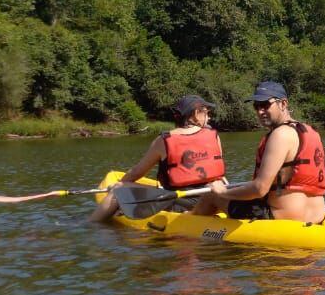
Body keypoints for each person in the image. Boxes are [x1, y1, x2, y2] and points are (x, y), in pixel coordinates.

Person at [191, 80, 325, 223]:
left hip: (282, 217)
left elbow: (259, 189)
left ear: (283, 104)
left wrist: (222, 191)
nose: (260, 111)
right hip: (316, 217)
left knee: (211, 196)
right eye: (256, 106)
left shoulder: (280, 135)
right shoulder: (312, 132)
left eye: (265, 105)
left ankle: (186, 227)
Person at [89, 95, 226, 222]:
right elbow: (219, 174)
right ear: (196, 114)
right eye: (206, 113)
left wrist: (120, 186)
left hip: (178, 202)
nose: (209, 118)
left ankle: (92, 225)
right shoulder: (214, 136)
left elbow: (136, 173)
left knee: (118, 188)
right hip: (212, 200)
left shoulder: (164, 140)